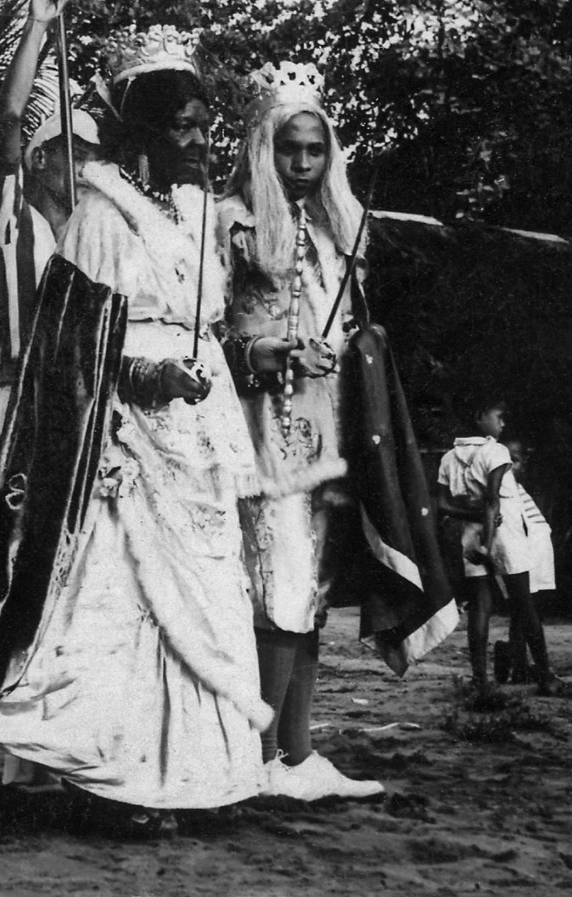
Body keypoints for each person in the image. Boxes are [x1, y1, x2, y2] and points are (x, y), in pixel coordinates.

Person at [0, 26, 269, 833]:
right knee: (129, 598)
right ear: (138, 132)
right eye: (182, 126)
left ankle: (203, 772)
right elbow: (72, 350)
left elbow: (209, 319)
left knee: (207, 587)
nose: (201, 140)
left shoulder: (202, 215)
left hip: (200, 431)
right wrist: (146, 376)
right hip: (127, 438)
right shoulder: (98, 216)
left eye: (206, 123)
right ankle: (123, 780)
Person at [217, 65, 384, 801]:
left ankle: (298, 751)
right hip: (254, 427)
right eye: (290, 149)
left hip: (325, 429)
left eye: (316, 150)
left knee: (308, 592)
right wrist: (259, 353)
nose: (304, 164)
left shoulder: (336, 233)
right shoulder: (228, 223)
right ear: (263, 148)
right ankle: (253, 757)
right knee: (275, 586)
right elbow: (200, 333)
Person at [0, 0, 100, 465]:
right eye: (77, 152)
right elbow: (10, 119)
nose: (89, 167)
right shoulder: (9, 217)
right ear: (41, 157)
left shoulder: (95, 234)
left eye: (95, 156)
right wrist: (38, 28)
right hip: (18, 400)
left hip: (79, 405)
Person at [437, 401, 562, 696]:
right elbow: (493, 503)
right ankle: (545, 676)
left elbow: (442, 505)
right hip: (504, 536)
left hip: (471, 534)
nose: (503, 424)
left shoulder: (448, 458)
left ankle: (480, 679)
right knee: (524, 604)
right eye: (498, 417)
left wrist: (474, 520)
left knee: (480, 605)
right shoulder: (496, 451)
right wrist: (488, 544)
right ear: (479, 416)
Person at [493, 437, 556, 684]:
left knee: (523, 610)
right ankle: (518, 659)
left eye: (516, 461)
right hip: (519, 555)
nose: (512, 468)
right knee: (523, 609)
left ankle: (516, 660)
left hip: (536, 554)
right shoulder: (502, 489)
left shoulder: (519, 490)